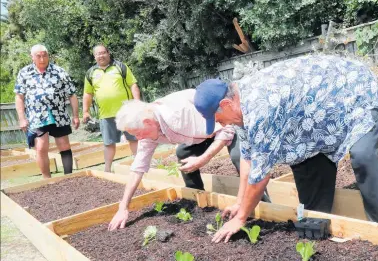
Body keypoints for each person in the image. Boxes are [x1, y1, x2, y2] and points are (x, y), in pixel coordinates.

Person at [193, 55, 378, 243]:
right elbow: (248, 159)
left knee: (363, 158)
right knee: (305, 162)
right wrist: (239, 203)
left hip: (354, 90)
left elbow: (260, 176)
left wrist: (241, 219)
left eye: (218, 118)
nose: (220, 124)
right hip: (316, 113)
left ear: (227, 104)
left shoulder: (260, 108)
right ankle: (320, 223)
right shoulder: (241, 111)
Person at [107, 89, 270, 231]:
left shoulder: (178, 116)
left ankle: (265, 208)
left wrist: (203, 159)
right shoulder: (149, 129)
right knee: (184, 153)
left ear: (148, 122)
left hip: (226, 122)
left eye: (137, 133)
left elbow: (225, 129)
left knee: (239, 157)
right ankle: (197, 199)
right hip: (202, 133)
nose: (138, 138)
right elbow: (137, 168)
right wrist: (123, 207)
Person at [15, 44, 79, 178]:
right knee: (41, 147)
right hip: (37, 116)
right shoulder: (24, 73)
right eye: (38, 56)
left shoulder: (59, 71)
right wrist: (22, 118)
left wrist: (75, 115)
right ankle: (46, 179)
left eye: (45, 55)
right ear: (32, 57)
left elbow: (72, 94)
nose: (42, 58)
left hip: (59, 114)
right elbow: (19, 96)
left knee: (64, 145)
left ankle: (69, 177)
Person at [82, 44, 142, 172]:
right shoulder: (91, 73)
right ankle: (107, 169)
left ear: (108, 53)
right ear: (94, 56)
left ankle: (140, 166)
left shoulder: (120, 67)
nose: (101, 56)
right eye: (98, 54)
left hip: (126, 111)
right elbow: (88, 93)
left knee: (134, 139)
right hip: (105, 114)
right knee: (108, 143)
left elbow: (133, 85)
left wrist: (137, 103)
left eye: (103, 53)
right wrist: (85, 111)